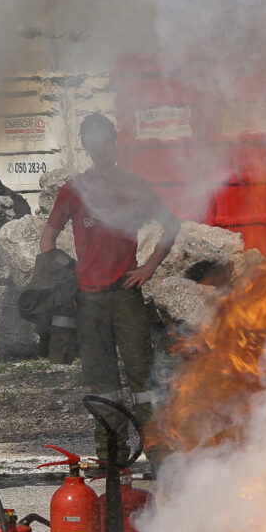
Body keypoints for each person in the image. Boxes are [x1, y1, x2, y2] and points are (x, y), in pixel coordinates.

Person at [39, 114, 178, 433]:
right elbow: (47, 239)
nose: (102, 150)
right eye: (95, 143)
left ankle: (155, 454)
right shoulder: (73, 191)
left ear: (114, 144)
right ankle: (111, 460)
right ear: (86, 145)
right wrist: (66, 280)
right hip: (87, 301)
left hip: (125, 295)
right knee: (103, 385)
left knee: (143, 379)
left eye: (107, 142)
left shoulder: (133, 185)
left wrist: (149, 266)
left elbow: (171, 225)